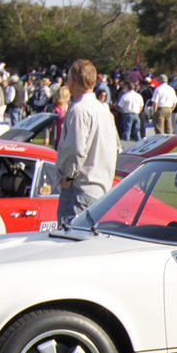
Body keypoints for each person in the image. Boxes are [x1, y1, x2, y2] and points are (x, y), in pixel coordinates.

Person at [56, 59, 120, 227]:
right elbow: (116, 147)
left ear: (73, 81)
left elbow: (75, 150)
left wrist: (67, 176)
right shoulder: (104, 111)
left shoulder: (79, 110)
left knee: (69, 242)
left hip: (80, 188)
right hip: (101, 189)